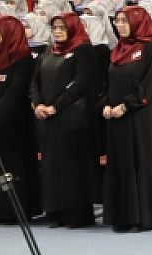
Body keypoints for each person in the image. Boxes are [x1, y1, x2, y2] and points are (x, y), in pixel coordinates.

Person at [102, 4, 152, 232]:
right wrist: (106, 105)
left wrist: (126, 105)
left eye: (124, 21)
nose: (119, 26)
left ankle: (145, 216)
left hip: (141, 118)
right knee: (122, 162)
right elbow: (107, 83)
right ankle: (124, 215)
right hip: (117, 118)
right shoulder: (117, 50)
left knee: (142, 162)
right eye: (117, 21)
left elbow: (151, 85)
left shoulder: (151, 49)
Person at [33, 12, 101, 227]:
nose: (58, 32)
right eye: (55, 28)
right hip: (49, 119)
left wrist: (56, 106)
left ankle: (76, 215)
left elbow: (80, 83)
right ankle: (56, 212)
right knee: (52, 167)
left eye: (62, 28)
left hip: (74, 119)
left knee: (73, 169)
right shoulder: (47, 51)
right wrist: (38, 105)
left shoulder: (83, 50)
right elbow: (34, 82)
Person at [0, 14, 39, 222]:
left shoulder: (21, 59)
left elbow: (16, 91)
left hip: (13, 125)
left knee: (13, 167)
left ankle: (15, 212)